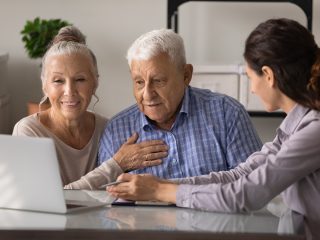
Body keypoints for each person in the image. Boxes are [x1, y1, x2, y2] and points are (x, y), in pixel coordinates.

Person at [107, 19, 320, 240]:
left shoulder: (313, 130)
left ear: (268, 75)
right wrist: (161, 185)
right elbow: (238, 175)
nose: (253, 89)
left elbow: (244, 194)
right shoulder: (294, 128)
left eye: (249, 78)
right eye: (139, 82)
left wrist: (160, 191)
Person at [12, 26, 168, 187]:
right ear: (44, 85)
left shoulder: (108, 129)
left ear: (95, 83)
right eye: (58, 81)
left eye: (80, 79)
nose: (69, 91)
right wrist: (117, 165)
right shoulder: (28, 132)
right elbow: (49, 201)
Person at [98, 28, 262, 179]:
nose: (147, 94)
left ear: (186, 75)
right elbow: (104, 203)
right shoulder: (116, 131)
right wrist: (119, 165)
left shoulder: (228, 114)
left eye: (158, 81)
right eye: (139, 82)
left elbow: (254, 186)